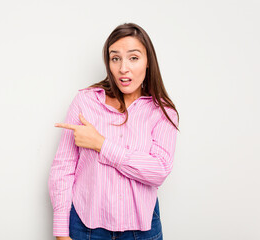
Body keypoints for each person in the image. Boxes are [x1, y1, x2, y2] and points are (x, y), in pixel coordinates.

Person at [48, 22, 180, 240]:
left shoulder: (162, 111)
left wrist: (101, 144)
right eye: (115, 58)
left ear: (148, 62)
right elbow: (63, 167)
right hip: (85, 227)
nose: (123, 68)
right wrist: (61, 232)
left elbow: (158, 171)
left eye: (133, 58)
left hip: (142, 230)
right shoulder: (85, 101)